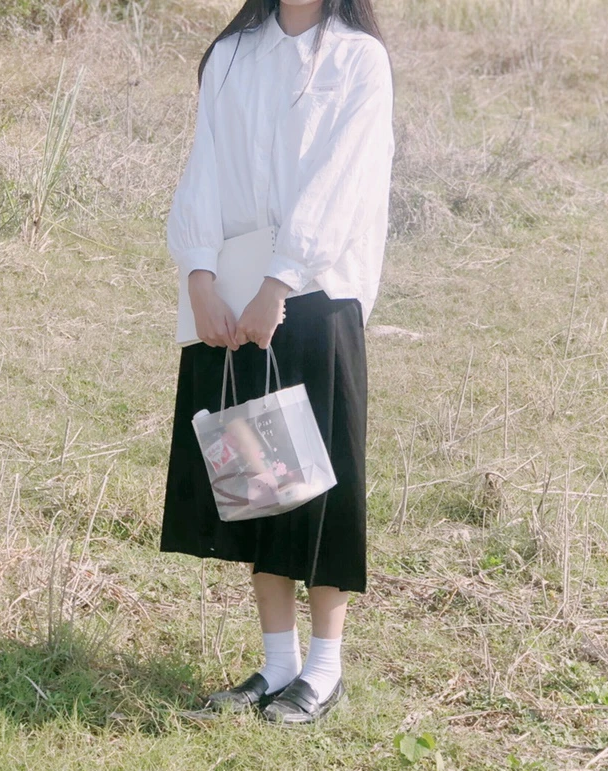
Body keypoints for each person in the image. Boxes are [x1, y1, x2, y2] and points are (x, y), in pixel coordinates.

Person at [160, 0, 394, 725]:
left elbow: (344, 182)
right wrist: (198, 275)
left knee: (318, 483)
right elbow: (203, 166)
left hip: (316, 293)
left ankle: (324, 668)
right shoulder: (232, 54)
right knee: (259, 479)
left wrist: (280, 282)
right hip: (230, 293)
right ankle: (276, 664)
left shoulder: (357, 58)